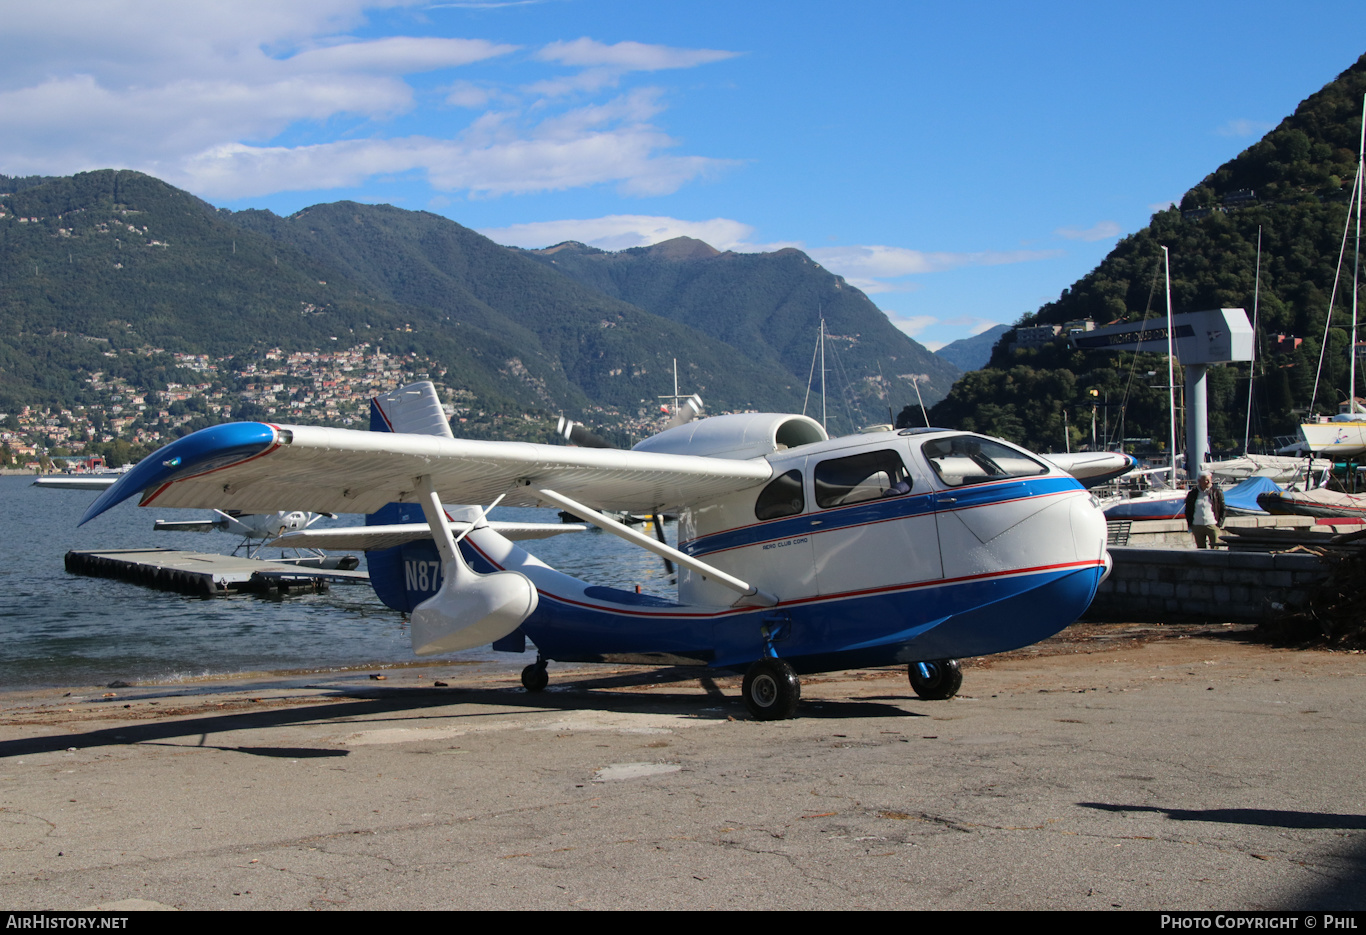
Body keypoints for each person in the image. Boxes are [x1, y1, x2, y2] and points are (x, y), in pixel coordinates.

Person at [1183, 471, 1225, 549]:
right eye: (1206, 480)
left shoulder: (1216, 492)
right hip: (1197, 525)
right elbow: (1188, 510)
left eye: (1210, 479)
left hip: (1212, 524)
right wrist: (1191, 524)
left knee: (1215, 547)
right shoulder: (1192, 494)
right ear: (1199, 481)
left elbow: (1223, 509)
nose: (1208, 482)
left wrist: (1219, 524)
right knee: (1201, 549)